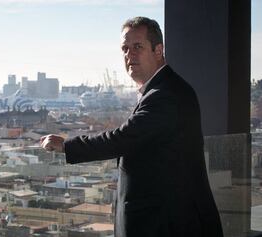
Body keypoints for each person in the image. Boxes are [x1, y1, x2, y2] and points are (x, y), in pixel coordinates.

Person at [40, 16, 223, 237]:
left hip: (168, 223)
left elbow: (123, 138)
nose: (129, 55)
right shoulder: (164, 89)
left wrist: (67, 146)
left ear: (158, 50)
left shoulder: (165, 94)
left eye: (137, 47)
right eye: (125, 49)